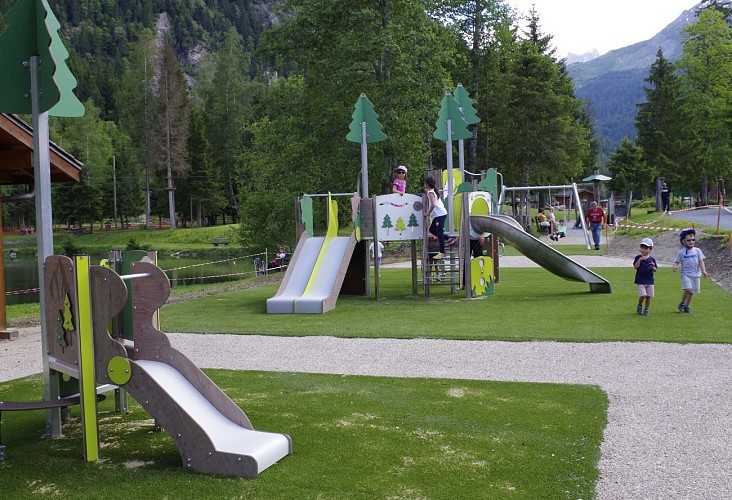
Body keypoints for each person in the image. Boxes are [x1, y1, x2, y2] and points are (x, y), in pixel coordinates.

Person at [672, 229, 707, 313]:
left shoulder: (697, 251)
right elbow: (677, 262)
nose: (691, 242)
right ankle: (682, 303)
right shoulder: (681, 252)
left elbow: (701, 261)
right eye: (689, 240)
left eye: (693, 239)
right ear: (683, 241)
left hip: (696, 274)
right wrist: (675, 267)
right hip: (686, 274)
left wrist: (704, 271)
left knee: (692, 292)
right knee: (688, 289)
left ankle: (687, 306)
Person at [423, 176, 448, 259]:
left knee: (439, 232)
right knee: (432, 230)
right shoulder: (432, 191)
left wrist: (427, 213)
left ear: (427, 184)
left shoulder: (431, 193)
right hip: (440, 214)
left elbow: (433, 204)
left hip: (440, 214)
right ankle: (449, 238)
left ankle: (442, 252)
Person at [633, 237, 657, 316]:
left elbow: (655, 269)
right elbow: (635, 267)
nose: (643, 250)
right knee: (643, 295)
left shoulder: (651, 259)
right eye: (642, 248)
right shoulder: (638, 258)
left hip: (649, 280)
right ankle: (639, 305)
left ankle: (646, 309)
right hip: (641, 280)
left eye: (646, 248)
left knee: (648, 296)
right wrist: (640, 260)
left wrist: (652, 267)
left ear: (650, 249)